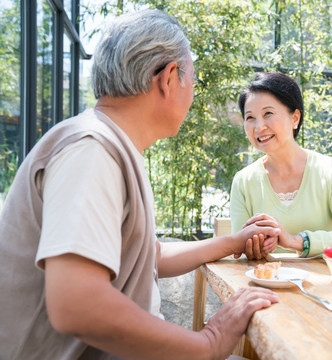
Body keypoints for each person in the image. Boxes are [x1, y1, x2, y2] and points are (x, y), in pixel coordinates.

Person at [0, 10, 281, 360]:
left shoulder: (109, 145)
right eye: (192, 78)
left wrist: (231, 242)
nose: (192, 91)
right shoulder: (92, 151)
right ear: (168, 79)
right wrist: (208, 342)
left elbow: (151, 256)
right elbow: (76, 303)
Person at [230, 72, 332, 260]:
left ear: (295, 118)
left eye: (268, 113)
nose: (259, 126)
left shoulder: (330, 170)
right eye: (250, 117)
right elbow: (241, 249)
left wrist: (295, 241)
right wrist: (253, 246)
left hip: (323, 286)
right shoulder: (243, 181)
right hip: (265, 285)